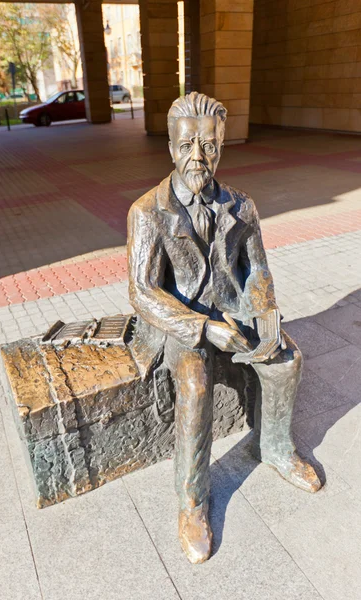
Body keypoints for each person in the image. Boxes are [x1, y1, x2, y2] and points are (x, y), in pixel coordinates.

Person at [127, 92, 321, 565]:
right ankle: (192, 503)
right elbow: (142, 292)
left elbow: (256, 270)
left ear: (221, 147)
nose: (199, 156)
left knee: (287, 359)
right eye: (188, 144)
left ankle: (274, 447)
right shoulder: (146, 212)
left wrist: (266, 311)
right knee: (195, 382)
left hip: (232, 310)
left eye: (210, 145)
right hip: (180, 324)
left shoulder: (243, 206)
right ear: (171, 148)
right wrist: (201, 328)